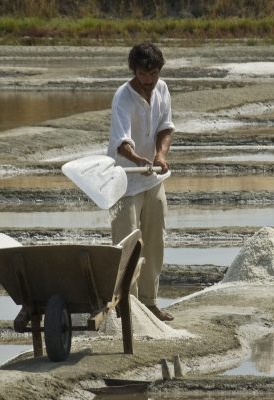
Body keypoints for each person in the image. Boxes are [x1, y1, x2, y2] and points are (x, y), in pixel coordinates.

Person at [107, 42, 175, 321]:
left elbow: (165, 128)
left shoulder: (162, 89)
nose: (148, 81)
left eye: (154, 74)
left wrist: (159, 155)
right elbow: (122, 143)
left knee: (155, 241)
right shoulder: (123, 97)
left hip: (152, 180)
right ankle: (127, 307)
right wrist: (139, 161)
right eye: (143, 75)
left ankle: (149, 302)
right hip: (125, 181)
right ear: (134, 71)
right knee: (127, 245)